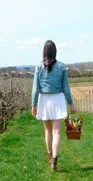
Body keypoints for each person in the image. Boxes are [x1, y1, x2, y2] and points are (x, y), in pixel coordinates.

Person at [31, 40, 77, 172]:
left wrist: (33, 105)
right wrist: (71, 103)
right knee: (57, 132)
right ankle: (54, 162)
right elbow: (66, 88)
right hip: (58, 100)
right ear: (55, 51)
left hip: (44, 100)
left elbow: (35, 88)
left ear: (44, 52)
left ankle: (50, 156)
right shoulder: (62, 67)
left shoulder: (38, 67)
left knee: (48, 131)